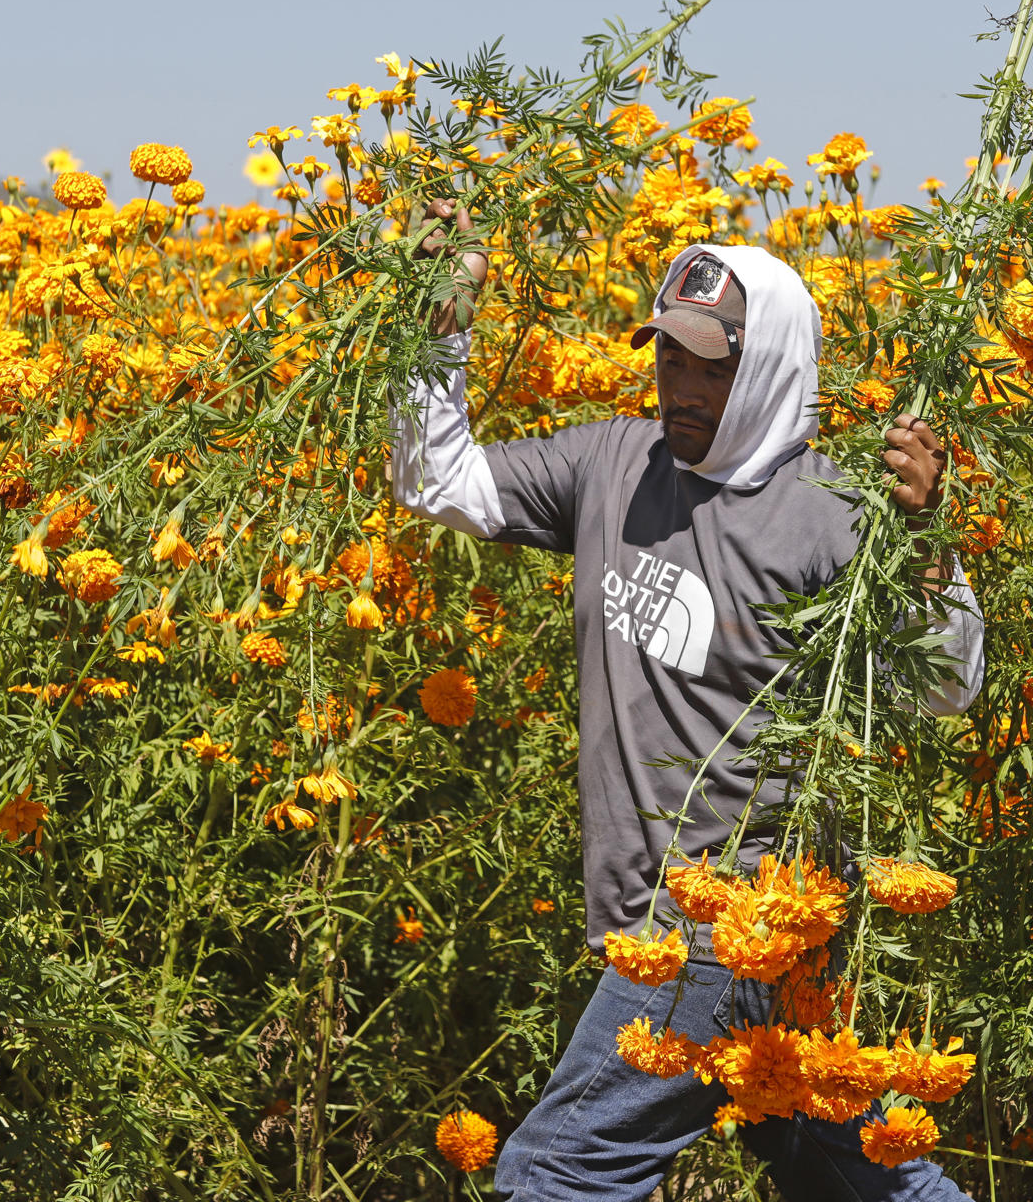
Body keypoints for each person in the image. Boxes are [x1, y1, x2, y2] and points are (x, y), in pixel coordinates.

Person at [390, 201, 982, 1201]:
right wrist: (433, 331)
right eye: (670, 359)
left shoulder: (838, 512)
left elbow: (948, 683)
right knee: (850, 1172)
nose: (682, 388)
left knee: (555, 1173)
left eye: (714, 366)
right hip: (714, 936)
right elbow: (439, 480)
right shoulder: (613, 464)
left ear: (775, 367)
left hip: (728, 925)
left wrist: (930, 549)